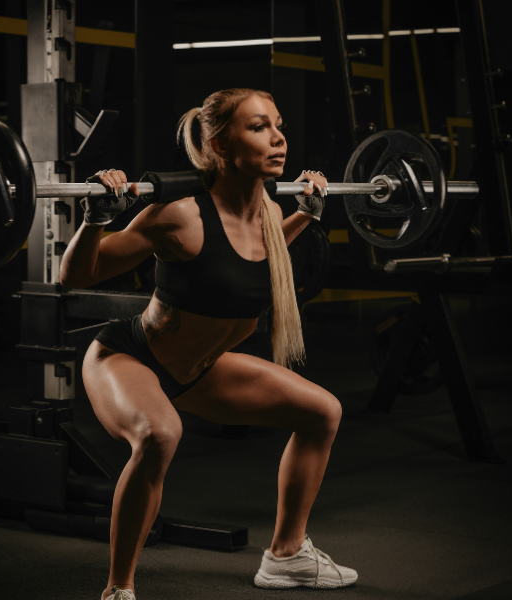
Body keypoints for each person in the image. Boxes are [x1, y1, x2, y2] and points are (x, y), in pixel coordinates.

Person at [61, 88, 357, 600]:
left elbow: (251, 264)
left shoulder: (266, 213)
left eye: (278, 124)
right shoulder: (178, 217)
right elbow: (76, 277)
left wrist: (305, 214)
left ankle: (286, 556)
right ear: (219, 145)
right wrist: (95, 218)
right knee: (160, 434)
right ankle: (119, 589)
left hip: (199, 368)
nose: (279, 137)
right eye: (259, 127)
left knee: (321, 412)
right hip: (130, 357)